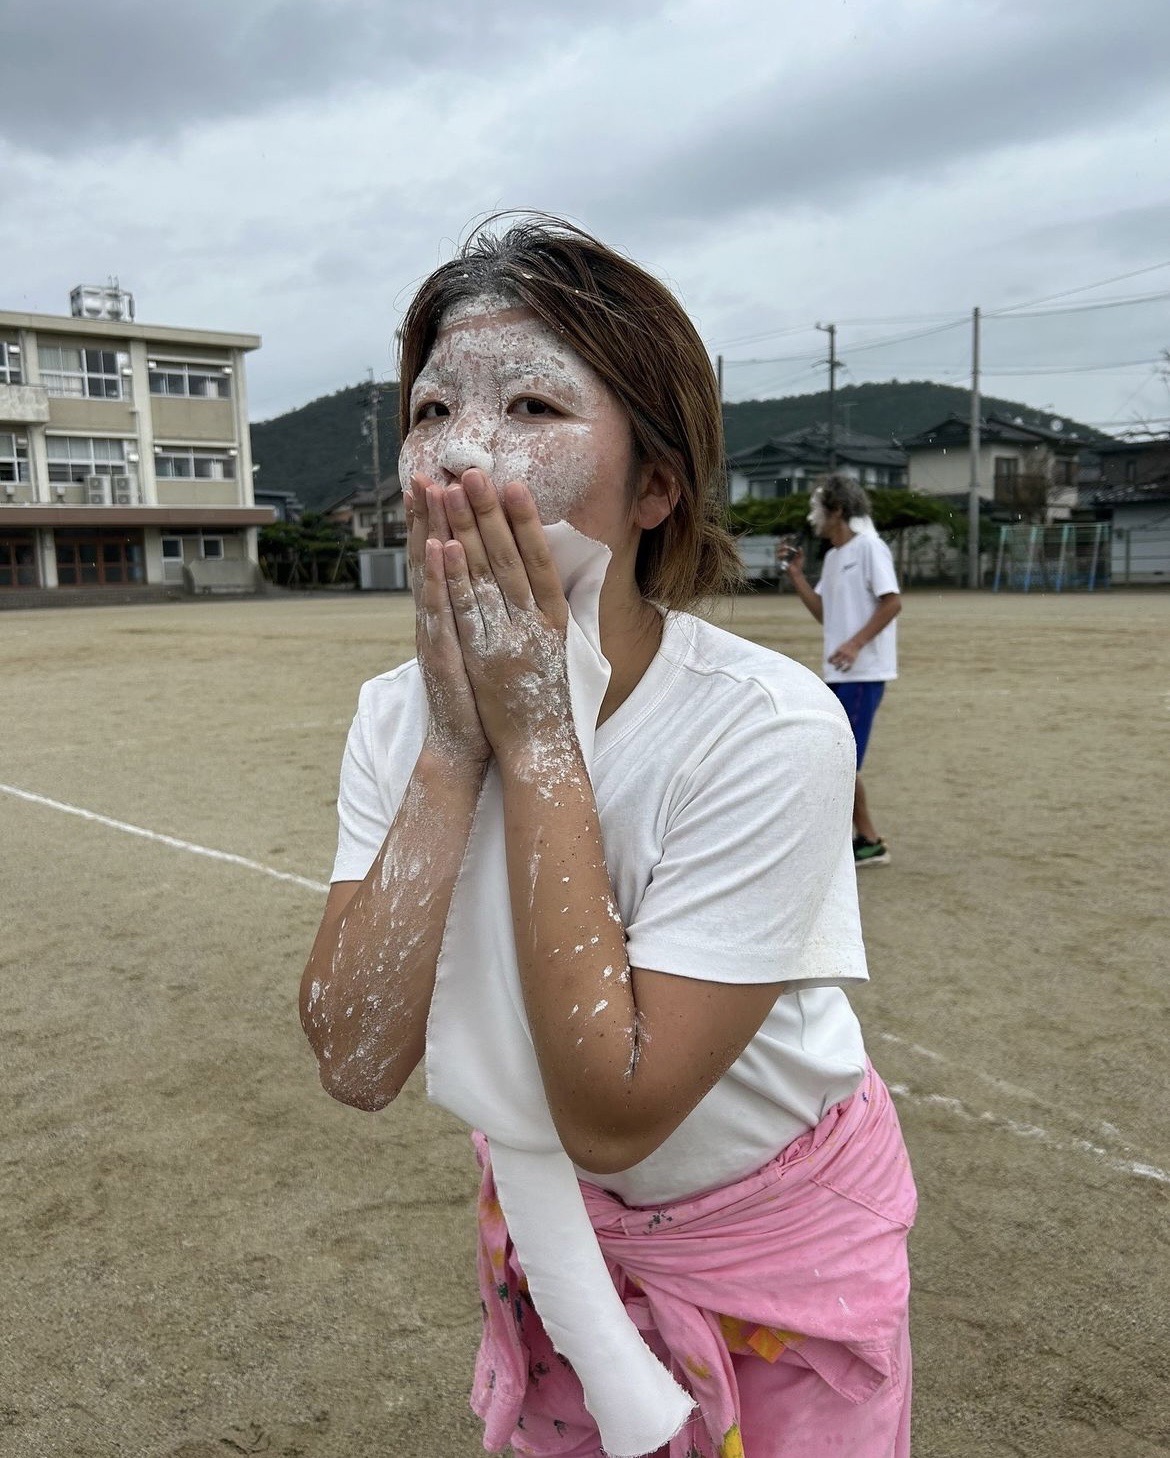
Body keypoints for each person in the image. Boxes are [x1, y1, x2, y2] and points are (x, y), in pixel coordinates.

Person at [299, 218, 915, 1458]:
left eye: (531, 403)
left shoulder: (764, 724)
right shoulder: (391, 719)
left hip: (769, 1239)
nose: (462, 454)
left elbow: (617, 1107)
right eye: (431, 413)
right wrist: (452, 749)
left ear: (655, 485)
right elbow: (359, 1058)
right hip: (556, 1240)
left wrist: (536, 740)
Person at [781, 477, 902, 867]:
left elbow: (892, 603)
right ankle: (865, 839)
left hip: (863, 673)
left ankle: (867, 841)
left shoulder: (869, 548)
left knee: (841, 759)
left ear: (837, 511)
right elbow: (826, 615)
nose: (810, 516)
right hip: (840, 673)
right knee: (841, 758)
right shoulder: (833, 557)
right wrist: (798, 575)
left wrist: (854, 644)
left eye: (817, 507)